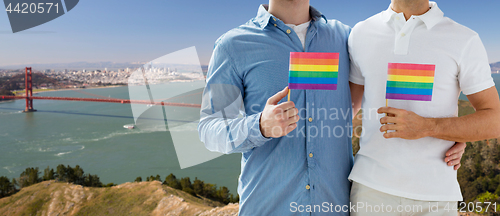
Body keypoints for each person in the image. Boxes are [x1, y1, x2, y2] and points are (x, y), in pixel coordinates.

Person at [199, 0, 465, 215]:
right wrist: (259, 126)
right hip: (268, 207)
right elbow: (210, 129)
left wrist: (440, 134)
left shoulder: (346, 38)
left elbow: (391, 87)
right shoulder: (233, 45)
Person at [348, 0, 500, 215]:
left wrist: (429, 127)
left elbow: (494, 121)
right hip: (370, 191)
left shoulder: (464, 39)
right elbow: (345, 110)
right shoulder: (361, 32)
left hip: (436, 197)